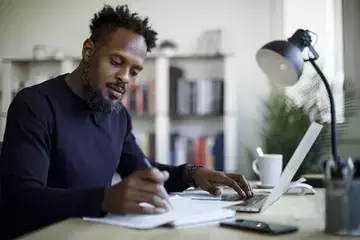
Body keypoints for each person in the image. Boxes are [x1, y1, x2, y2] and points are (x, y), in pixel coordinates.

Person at [0, 4, 253, 239]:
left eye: (134, 71)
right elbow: (21, 199)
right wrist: (104, 199)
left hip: (90, 233)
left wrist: (192, 174)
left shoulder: (117, 115)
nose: (124, 78)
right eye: (116, 62)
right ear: (89, 51)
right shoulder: (34, 105)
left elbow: (143, 170)